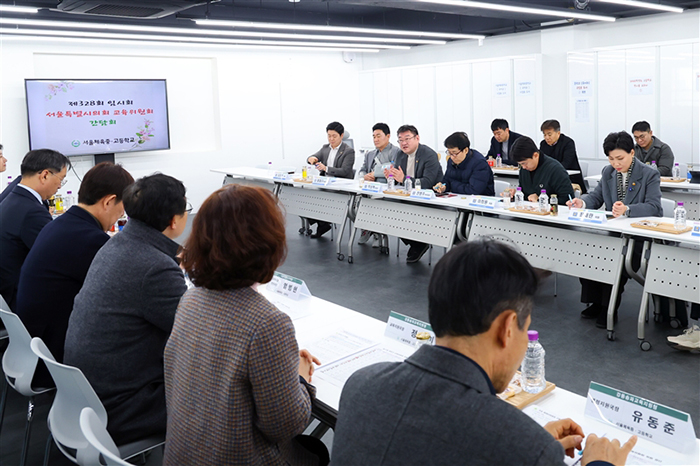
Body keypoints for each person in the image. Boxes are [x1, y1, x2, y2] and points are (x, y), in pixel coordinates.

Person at [332, 240, 637, 466]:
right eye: (525, 328)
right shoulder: (524, 448)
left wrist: (524, 440)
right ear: (507, 327)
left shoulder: (362, 384)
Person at [164, 184, 327, 466]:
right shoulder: (267, 323)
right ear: (267, 242)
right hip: (237, 458)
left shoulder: (190, 300)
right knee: (316, 452)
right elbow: (285, 426)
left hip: (184, 455)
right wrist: (300, 377)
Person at [64, 173, 189, 444]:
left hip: (84, 395)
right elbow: (196, 333)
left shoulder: (117, 244)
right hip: (124, 408)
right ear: (174, 220)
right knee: (228, 392)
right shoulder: (155, 267)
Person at [16, 162, 134, 385]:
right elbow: (123, 293)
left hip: (34, 344)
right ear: (109, 201)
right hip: (55, 356)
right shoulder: (90, 239)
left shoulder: (61, 224)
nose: (121, 215)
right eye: (122, 208)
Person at [567, 132, 662, 328]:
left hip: (637, 239)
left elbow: (655, 208)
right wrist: (581, 203)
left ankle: (608, 308)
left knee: (614, 261)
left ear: (632, 153)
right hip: (612, 234)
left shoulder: (649, 174)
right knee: (586, 253)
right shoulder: (608, 172)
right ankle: (594, 302)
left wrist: (628, 210)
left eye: (620, 158)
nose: (615, 163)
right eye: (611, 159)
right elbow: (595, 198)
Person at [0, 149, 70, 310]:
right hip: (19, 300)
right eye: (61, 179)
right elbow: (57, 257)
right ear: (45, 175)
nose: (60, 185)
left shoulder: (12, 199)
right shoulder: (32, 211)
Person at [387, 124, 443, 263]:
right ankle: (417, 243)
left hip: (428, 198)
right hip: (407, 196)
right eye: (400, 140)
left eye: (407, 138)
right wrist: (391, 176)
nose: (403, 143)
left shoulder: (429, 154)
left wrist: (404, 179)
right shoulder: (399, 154)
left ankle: (418, 243)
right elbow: (399, 177)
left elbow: (428, 182)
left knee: (402, 211)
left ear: (417, 138)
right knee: (387, 210)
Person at [305, 121, 355, 238]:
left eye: (334, 136)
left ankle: (323, 223)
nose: (331, 139)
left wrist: (326, 168)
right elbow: (313, 156)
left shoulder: (348, 151)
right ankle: (323, 223)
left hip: (340, 186)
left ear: (341, 136)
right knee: (306, 196)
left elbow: (345, 171)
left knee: (319, 198)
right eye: (329, 136)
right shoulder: (325, 148)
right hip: (326, 184)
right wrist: (311, 158)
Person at [357, 123, 401, 248]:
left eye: (378, 136)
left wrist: (375, 174)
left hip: (385, 190)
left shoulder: (396, 152)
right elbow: (362, 170)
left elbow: (393, 170)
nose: (375, 139)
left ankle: (376, 232)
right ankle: (367, 228)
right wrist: (364, 176)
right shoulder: (370, 154)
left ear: (388, 136)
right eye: (373, 136)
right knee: (352, 204)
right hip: (368, 189)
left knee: (375, 205)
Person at [509, 137, 574, 204]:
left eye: (524, 163)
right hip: (529, 212)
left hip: (551, 212)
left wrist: (540, 200)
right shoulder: (524, 169)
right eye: (520, 164)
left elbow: (568, 200)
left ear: (535, 155)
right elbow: (524, 193)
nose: (523, 167)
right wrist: (515, 194)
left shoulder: (555, 170)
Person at [433, 131, 494, 196]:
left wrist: (452, 185)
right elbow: (447, 180)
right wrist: (443, 186)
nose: (452, 157)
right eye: (449, 153)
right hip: (458, 199)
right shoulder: (451, 161)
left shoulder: (479, 163)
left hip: (479, 201)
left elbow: (473, 190)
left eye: (455, 153)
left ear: (465, 150)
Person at [539, 119, 587, 194]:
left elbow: (567, 162)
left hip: (570, 178)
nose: (547, 138)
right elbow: (542, 161)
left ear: (558, 133)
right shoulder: (543, 144)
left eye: (549, 134)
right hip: (551, 178)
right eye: (544, 135)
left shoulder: (568, 142)